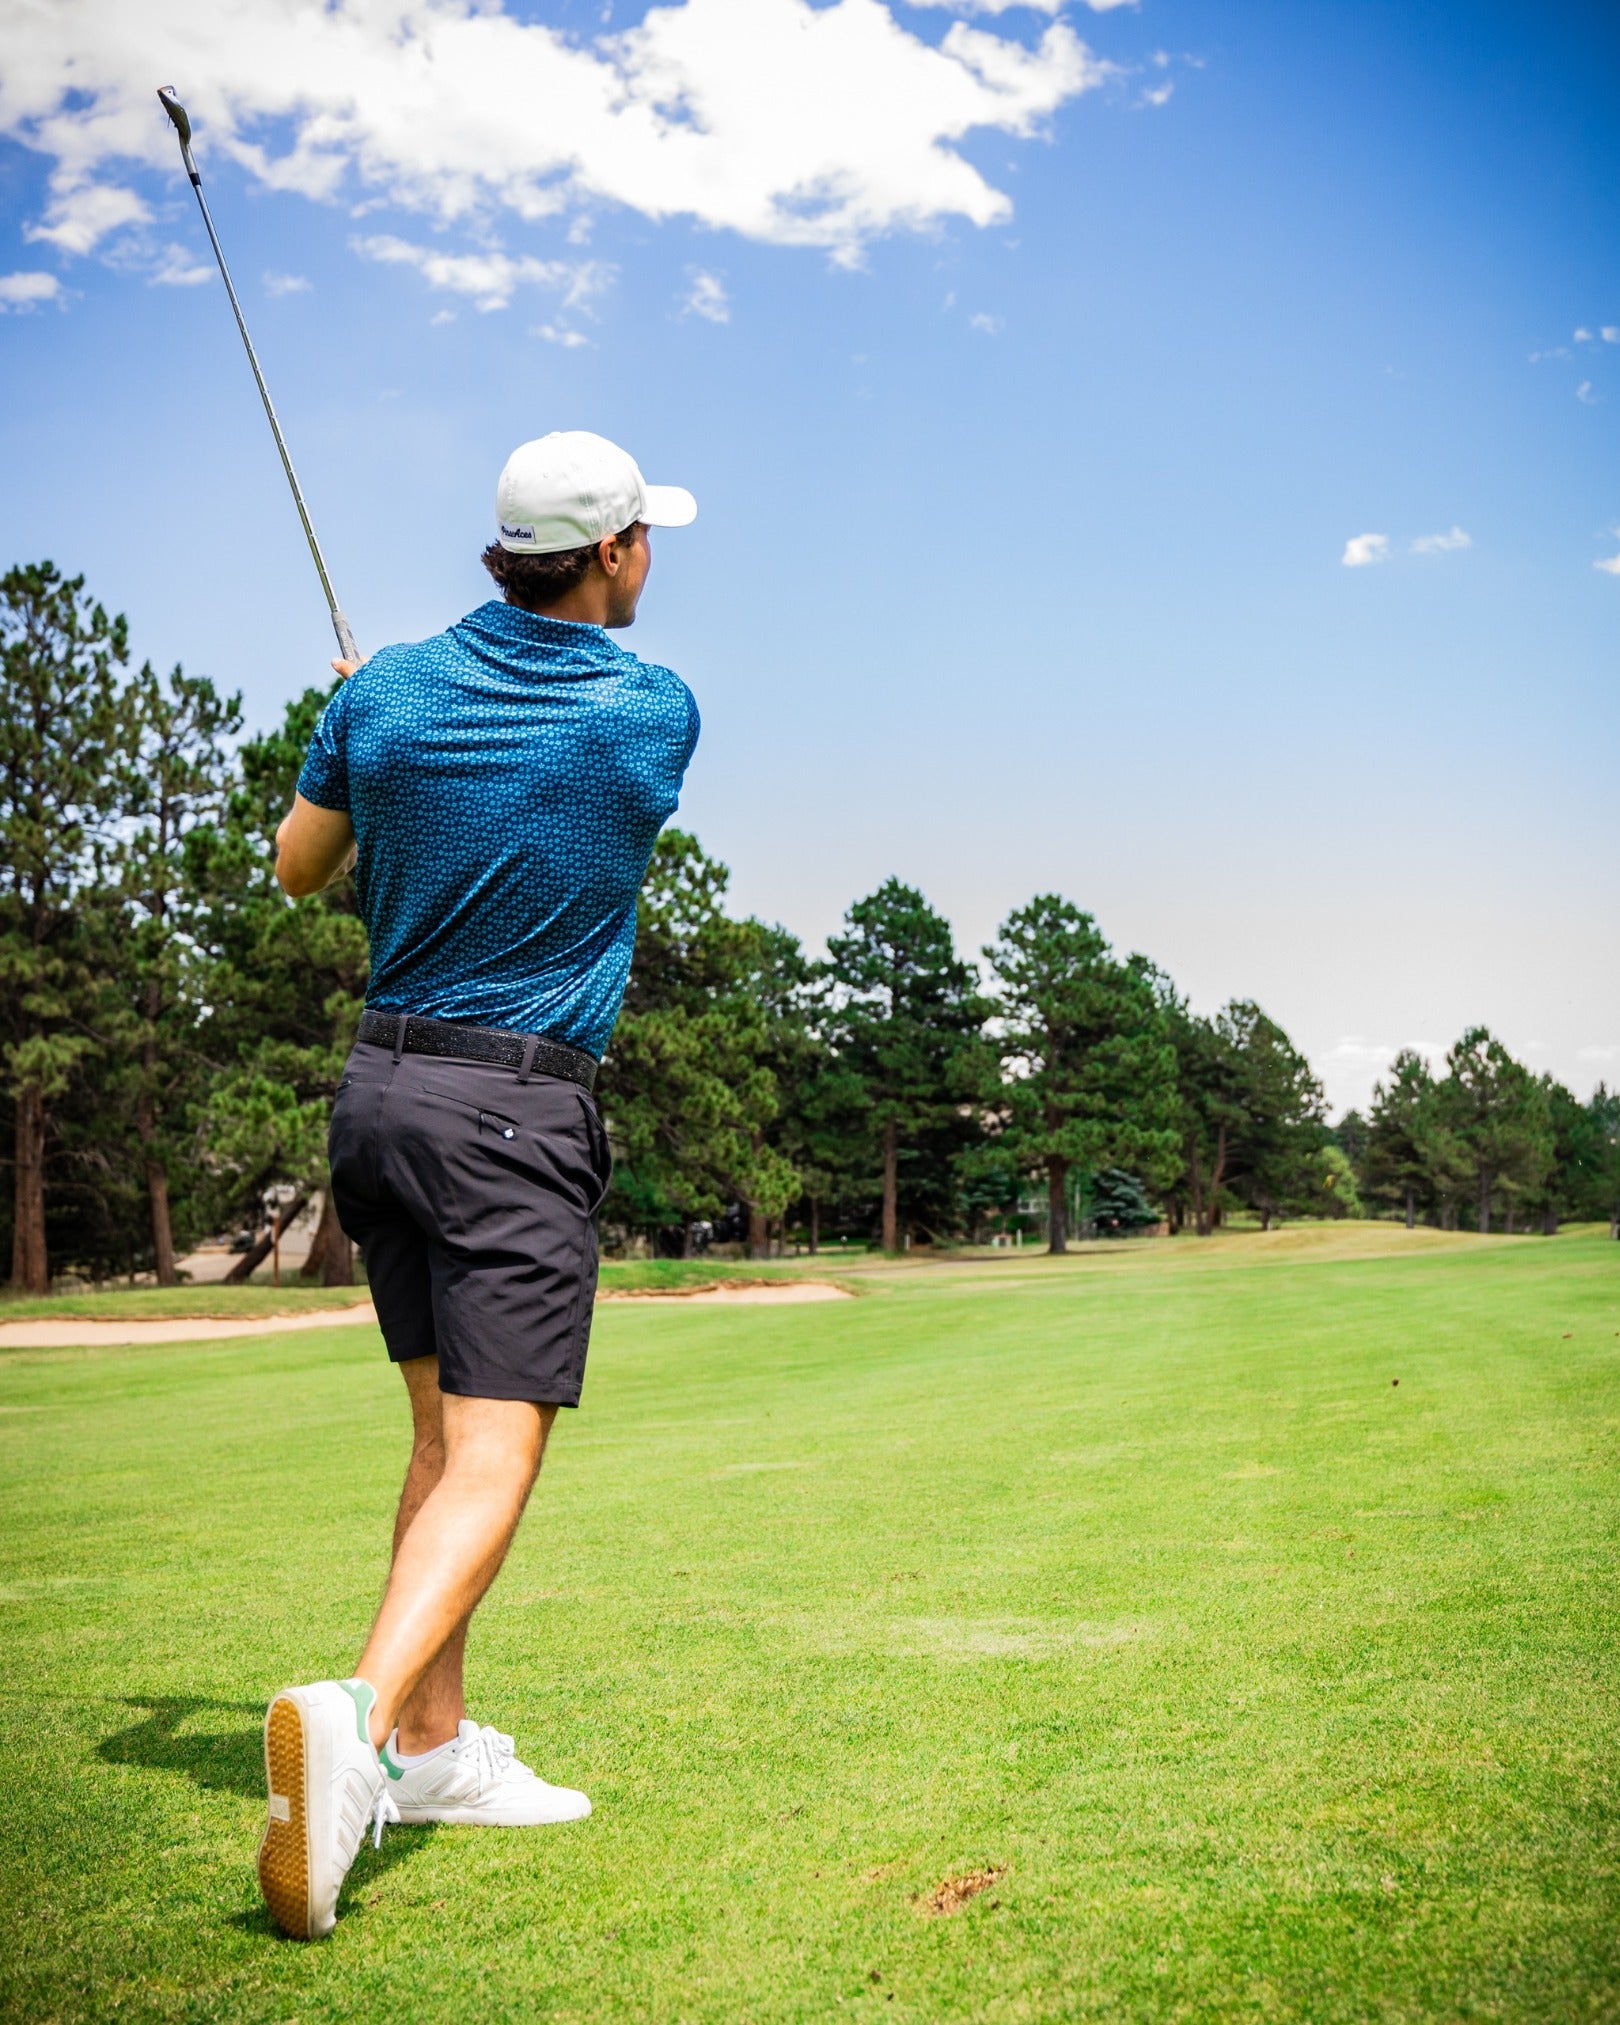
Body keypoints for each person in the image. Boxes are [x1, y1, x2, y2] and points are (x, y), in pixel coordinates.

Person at [255, 430, 701, 1941]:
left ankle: (439, 1750)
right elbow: (546, 773)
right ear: (616, 553)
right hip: (513, 1110)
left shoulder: (382, 700)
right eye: (649, 539)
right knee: (500, 1462)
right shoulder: (650, 708)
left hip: (379, 1096)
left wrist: (360, 723)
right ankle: (365, 1731)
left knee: (445, 1443)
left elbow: (297, 868)